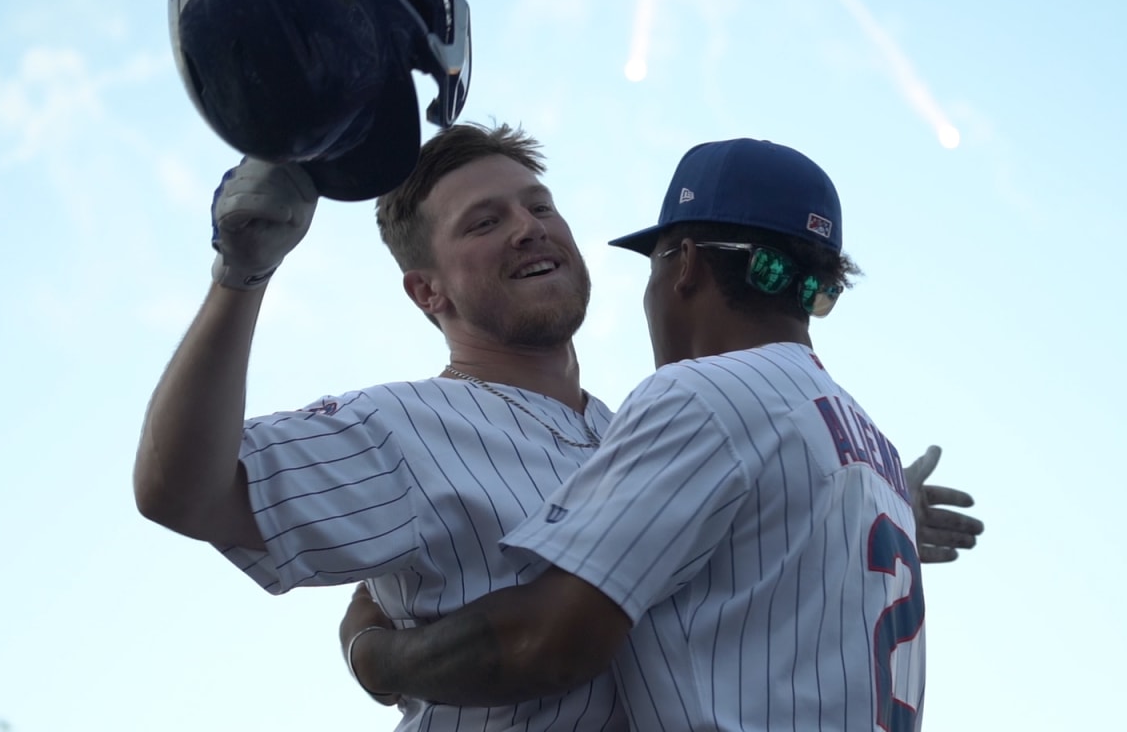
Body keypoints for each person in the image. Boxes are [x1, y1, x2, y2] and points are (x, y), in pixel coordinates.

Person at [133, 123, 979, 732]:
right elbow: (182, 489)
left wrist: (827, 492)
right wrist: (241, 276)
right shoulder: (401, 425)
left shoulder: (637, 429)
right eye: (484, 221)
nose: (529, 225)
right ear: (429, 292)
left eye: (538, 204)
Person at [339, 137, 944, 731]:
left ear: (683, 265)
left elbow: (546, 642)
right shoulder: (873, 451)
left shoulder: (705, 396)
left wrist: (375, 656)